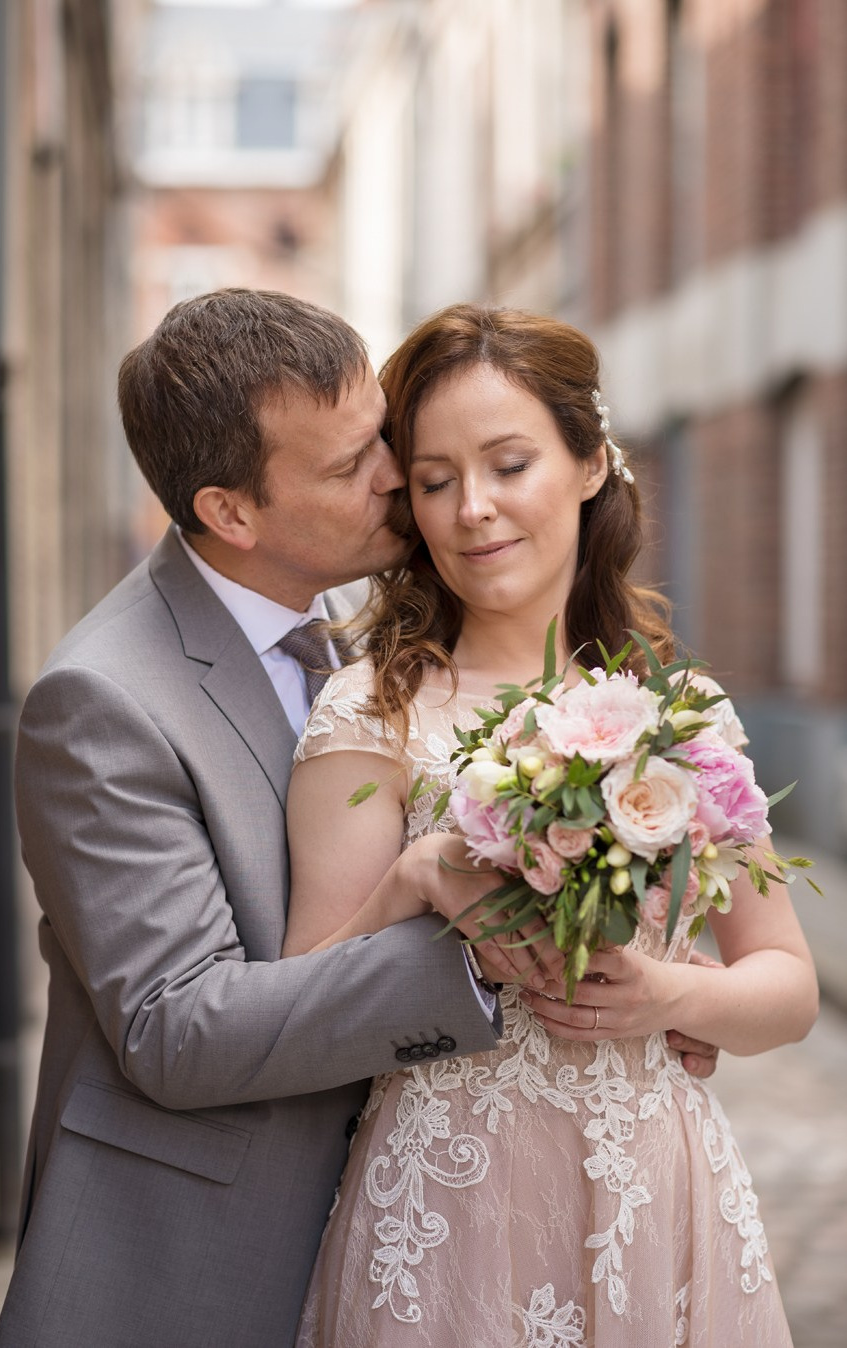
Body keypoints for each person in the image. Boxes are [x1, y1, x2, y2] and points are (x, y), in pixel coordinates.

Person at [0, 289, 718, 1348]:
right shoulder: (102, 700)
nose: (396, 476)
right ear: (230, 513)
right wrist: (454, 923)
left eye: (378, 436)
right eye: (347, 468)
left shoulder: (362, 638)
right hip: (197, 1263)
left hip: (416, 1239)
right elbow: (175, 1030)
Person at [283, 304, 819, 1346]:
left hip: (653, 1191)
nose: (472, 509)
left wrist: (670, 993)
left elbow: (789, 987)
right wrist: (415, 878)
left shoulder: (683, 712)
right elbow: (299, 1016)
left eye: (508, 464)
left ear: (588, 465)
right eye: (434, 481)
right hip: (446, 1204)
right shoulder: (371, 710)